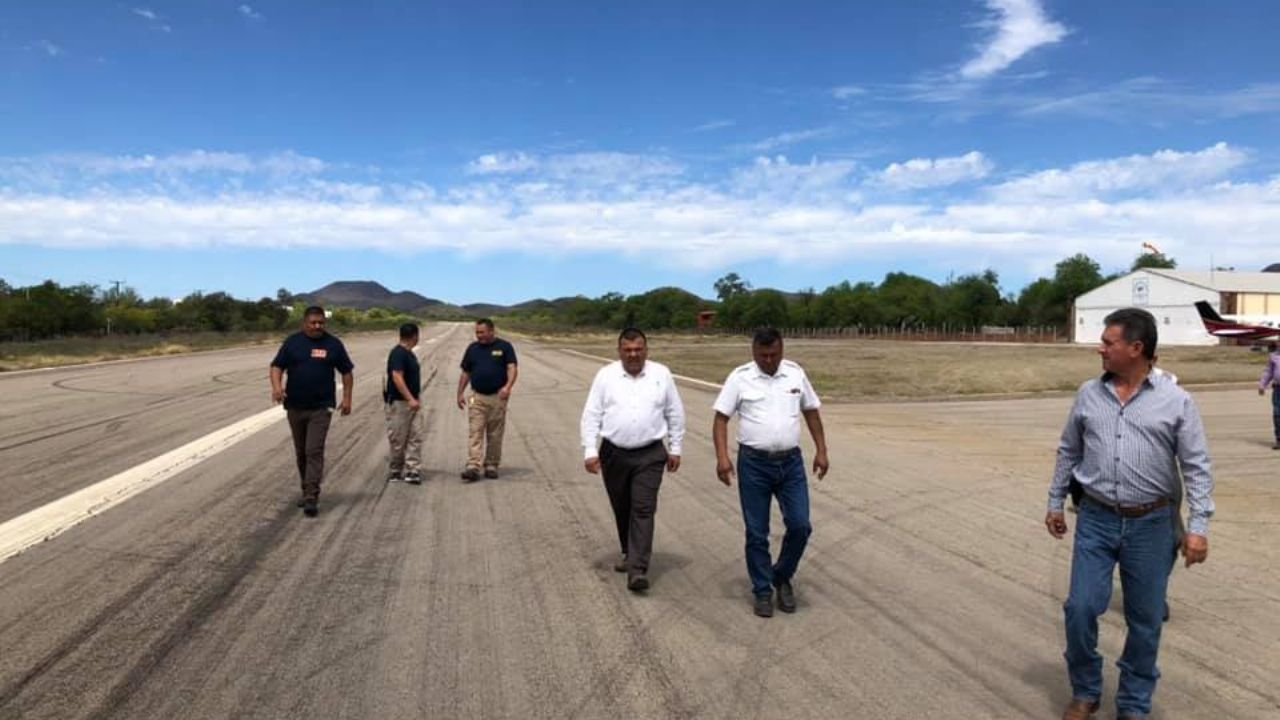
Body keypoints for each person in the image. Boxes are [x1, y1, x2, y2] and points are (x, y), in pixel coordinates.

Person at [1046, 308, 1214, 720]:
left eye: (1109, 342)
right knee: (1081, 608)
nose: (1099, 348)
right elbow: (1069, 450)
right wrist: (1054, 501)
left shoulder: (1177, 401)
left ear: (1136, 348)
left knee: (1145, 621)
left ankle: (1133, 705)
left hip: (1152, 526)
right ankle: (1086, 689)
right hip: (1097, 519)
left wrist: (1198, 528)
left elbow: (1197, 466)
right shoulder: (1089, 393)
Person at [712, 328, 829, 618]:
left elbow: (811, 412)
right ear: (753, 352)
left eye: (774, 354)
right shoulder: (740, 378)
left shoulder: (794, 373)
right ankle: (763, 590)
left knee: (801, 525)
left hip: (791, 463)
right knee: (756, 532)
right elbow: (720, 419)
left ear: (782, 349)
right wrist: (722, 458)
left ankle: (782, 575)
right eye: (763, 355)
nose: (768, 360)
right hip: (754, 465)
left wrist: (822, 450)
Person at [580, 328, 685, 592]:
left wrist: (675, 447)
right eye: (628, 350)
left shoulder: (662, 374)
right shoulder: (606, 376)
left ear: (646, 350)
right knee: (622, 505)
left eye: (638, 349)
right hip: (614, 452)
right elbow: (591, 414)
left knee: (643, 508)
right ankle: (630, 552)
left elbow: (675, 412)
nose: (633, 354)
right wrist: (590, 450)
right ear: (619, 351)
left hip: (650, 453)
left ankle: (638, 570)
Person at [270, 306, 354, 517]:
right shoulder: (293, 343)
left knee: (313, 451)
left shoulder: (333, 344)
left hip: (321, 408)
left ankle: (311, 496)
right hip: (295, 406)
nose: (317, 326)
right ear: (304, 323)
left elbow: (346, 372)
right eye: (313, 323)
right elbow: (276, 366)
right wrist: (277, 387)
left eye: (321, 323)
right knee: (301, 453)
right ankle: (306, 488)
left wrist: (347, 399)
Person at [456, 318, 518, 481]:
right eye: (477, 332)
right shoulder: (473, 349)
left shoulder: (504, 347)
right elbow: (466, 372)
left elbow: (512, 367)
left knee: (495, 433)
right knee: (475, 431)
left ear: (491, 331)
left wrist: (508, 386)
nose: (479, 336)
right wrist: (460, 393)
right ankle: (473, 466)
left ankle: (491, 465)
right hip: (477, 397)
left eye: (482, 332)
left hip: (498, 397)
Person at [384, 322, 423, 485]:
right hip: (400, 403)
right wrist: (410, 399)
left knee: (415, 436)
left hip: (412, 402)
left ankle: (413, 470)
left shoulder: (409, 354)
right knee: (399, 439)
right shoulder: (398, 354)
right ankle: (395, 470)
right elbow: (397, 377)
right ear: (415, 336)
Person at [1257, 342, 1280, 449]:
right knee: (1277, 413)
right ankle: (1279, 439)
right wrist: (1262, 385)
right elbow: (1268, 372)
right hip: (1278, 389)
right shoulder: (1274, 356)